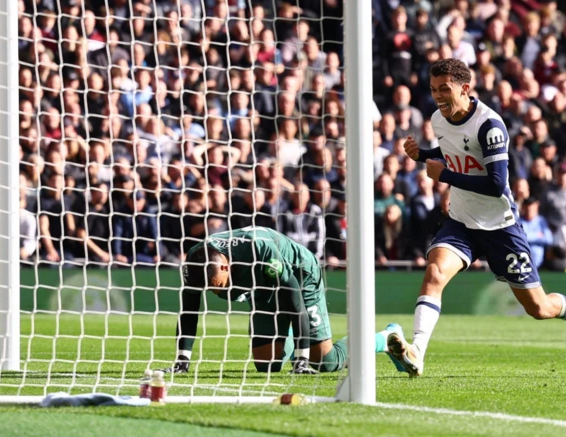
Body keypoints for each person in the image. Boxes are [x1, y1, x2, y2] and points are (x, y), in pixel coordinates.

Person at [388, 58, 566, 378]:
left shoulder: (490, 125)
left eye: (445, 89)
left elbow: (496, 184)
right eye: (433, 90)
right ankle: (417, 352)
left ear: (465, 88)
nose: (438, 97)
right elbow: (451, 152)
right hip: (461, 221)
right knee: (434, 273)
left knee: (540, 309)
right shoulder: (438, 119)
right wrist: (423, 155)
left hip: (500, 226)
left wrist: (446, 177)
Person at [163, 226, 405, 374]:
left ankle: (385, 338)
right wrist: (182, 359)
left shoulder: (259, 250)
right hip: (263, 286)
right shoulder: (195, 262)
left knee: (325, 362)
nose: (217, 293)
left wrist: (301, 359)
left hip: (299, 276)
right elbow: (188, 311)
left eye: (218, 286)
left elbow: (294, 299)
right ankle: (289, 336)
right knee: (267, 365)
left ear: (226, 266)